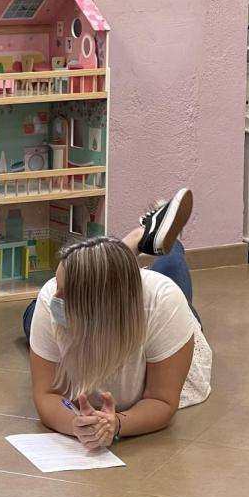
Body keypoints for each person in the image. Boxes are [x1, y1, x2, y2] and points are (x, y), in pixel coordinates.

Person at [26, 189, 212, 448]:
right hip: (108, 304)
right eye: (57, 284)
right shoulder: (51, 298)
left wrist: (118, 424)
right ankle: (137, 239)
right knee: (32, 313)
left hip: (161, 317)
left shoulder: (163, 302)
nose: (54, 296)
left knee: (170, 265)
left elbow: (162, 401)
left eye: (65, 293)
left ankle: (167, 242)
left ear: (96, 305)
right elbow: (46, 394)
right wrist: (77, 425)